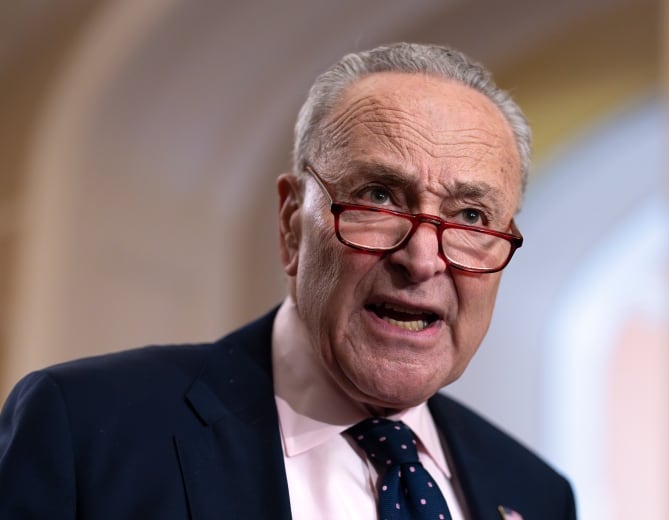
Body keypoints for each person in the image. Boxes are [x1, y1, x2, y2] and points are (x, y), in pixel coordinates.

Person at [0, 43, 576, 519]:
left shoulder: (536, 493)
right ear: (291, 225)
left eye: (471, 216)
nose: (422, 259)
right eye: (378, 198)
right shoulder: (86, 431)